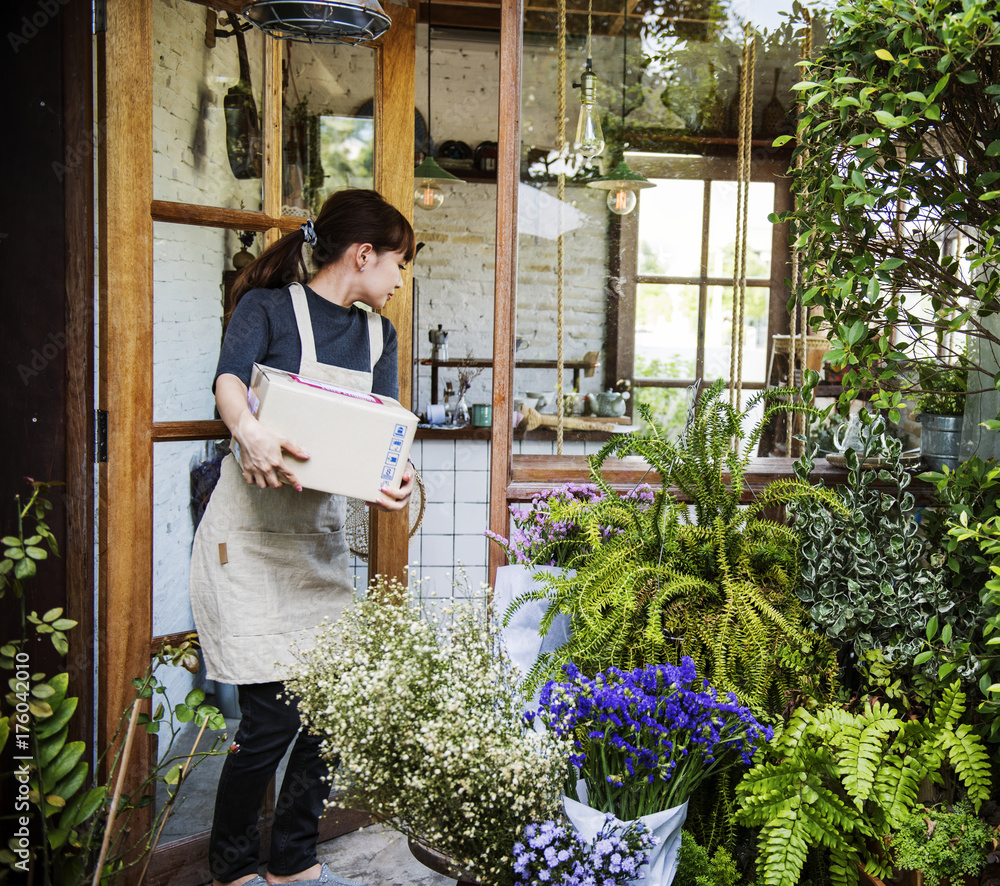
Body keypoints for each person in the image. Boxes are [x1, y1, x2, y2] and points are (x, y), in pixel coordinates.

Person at [189, 189, 416, 886]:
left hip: (314, 544)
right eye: (400, 264)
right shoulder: (266, 309)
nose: (400, 281)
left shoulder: (380, 337)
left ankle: (292, 859)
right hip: (249, 542)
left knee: (328, 715)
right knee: (268, 723)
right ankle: (229, 869)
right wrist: (248, 429)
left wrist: (397, 477)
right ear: (364, 254)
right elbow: (230, 381)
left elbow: (381, 435)